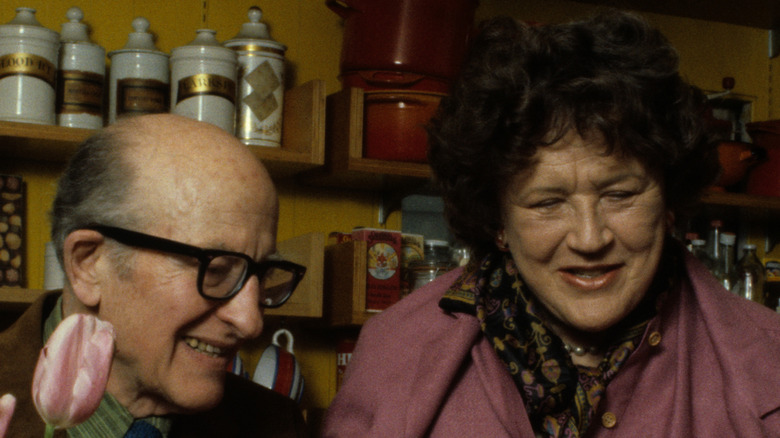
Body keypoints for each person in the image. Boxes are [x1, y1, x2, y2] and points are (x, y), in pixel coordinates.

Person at [323, 10, 780, 437]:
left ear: (669, 203)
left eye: (620, 195)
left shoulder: (768, 360)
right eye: (547, 202)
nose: (590, 238)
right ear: (496, 219)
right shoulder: (396, 351)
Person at [0, 114, 308, 437]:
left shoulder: (277, 425)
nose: (250, 322)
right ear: (89, 263)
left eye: (263, 273)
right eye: (215, 269)